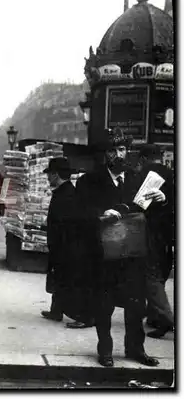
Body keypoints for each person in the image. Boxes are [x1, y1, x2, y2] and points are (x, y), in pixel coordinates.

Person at [75, 128, 166, 367]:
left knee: (136, 305)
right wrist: (100, 215)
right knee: (103, 305)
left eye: (122, 149)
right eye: (113, 150)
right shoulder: (89, 181)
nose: (118, 154)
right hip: (103, 255)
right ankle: (105, 349)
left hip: (134, 254)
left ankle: (135, 348)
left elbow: (150, 216)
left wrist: (160, 201)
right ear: (104, 154)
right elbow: (76, 213)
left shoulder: (137, 180)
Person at [40, 157, 94, 329]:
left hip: (67, 246)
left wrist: (59, 246)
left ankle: (84, 316)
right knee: (59, 277)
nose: (48, 178)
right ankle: (56, 310)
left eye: (49, 174)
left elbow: (67, 224)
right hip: (64, 244)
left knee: (69, 280)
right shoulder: (65, 191)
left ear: (56, 175)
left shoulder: (67, 194)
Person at [136, 144, 174, 339]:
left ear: (143, 158)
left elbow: (139, 204)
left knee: (151, 276)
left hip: (149, 233)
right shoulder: (174, 174)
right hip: (169, 235)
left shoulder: (144, 173)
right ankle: (154, 317)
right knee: (159, 274)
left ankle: (168, 320)